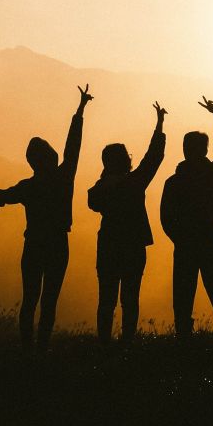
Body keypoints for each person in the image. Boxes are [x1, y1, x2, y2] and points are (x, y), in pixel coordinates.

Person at [0, 84, 92, 351]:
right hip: (58, 244)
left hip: (34, 244)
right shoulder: (63, 177)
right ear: (50, 157)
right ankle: (41, 349)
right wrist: (80, 111)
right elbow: (74, 145)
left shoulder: (28, 187)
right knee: (48, 301)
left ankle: (28, 350)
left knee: (30, 300)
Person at [87, 102, 167, 343]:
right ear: (126, 161)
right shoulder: (134, 182)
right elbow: (154, 157)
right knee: (129, 298)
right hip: (133, 246)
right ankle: (127, 343)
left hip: (109, 245)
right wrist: (160, 125)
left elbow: (92, 202)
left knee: (107, 299)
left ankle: (104, 344)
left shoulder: (101, 188)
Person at [160, 97, 213, 338]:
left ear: (185, 149)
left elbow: (166, 217)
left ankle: (184, 335)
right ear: (204, 150)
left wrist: (179, 237)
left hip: (185, 244)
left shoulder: (174, 181)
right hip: (209, 240)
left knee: (183, 293)